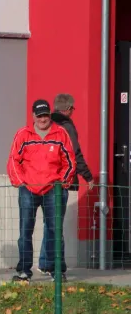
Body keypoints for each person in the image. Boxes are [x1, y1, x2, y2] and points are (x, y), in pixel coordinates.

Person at [7, 99, 76, 282]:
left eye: (45, 115)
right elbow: (14, 160)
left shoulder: (61, 134)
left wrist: (62, 182)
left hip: (54, 190)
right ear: (33, 116)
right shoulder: (23, 135)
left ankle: (58, 271)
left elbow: (69, 161)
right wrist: (21, 182)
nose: (42, 119)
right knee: (25, 231)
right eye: (39, 115)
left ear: (49, 115)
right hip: (28, 189)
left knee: (55, 231)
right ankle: (24, 271)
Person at [37, 93, 94, 275]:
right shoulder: (67, 127)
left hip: (41, 181)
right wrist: (88, 176)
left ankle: (45, 263)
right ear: (68, 109)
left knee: (49, 223)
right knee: (55, 225)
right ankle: (55, 267)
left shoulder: (44, 124)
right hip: (60, 181)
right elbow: (74, 154)